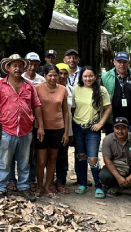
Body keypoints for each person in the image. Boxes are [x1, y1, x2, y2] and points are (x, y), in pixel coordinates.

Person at [0, 54, 44, 199]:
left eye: (20, 66)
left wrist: (41, 127)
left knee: (24, 161)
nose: (17, 68)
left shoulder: (29, 86)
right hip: (6, 129)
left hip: (26, 130)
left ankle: (24, 187)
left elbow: (36, 106)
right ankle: (1, 188)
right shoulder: (0, 85)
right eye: (14, 65)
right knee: (4, 161)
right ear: (8, 68)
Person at [71, 67, 111, 196]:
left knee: (93, 158)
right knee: (81, 156)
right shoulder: (76, 89)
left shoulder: (101, 90)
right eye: (85, 76)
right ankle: (83, 184)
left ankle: (98, 185)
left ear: (95, 77)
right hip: (78, 127)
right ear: (81, 77)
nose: (88, 79)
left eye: (91, 76)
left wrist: (100, 123)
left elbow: (108, 108)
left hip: (93, 129)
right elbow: (73, 109)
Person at [34, 64, 71, 196]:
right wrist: (40, 126)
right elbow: (35, 108)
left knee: (53, 159)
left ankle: (47, 187)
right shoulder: (37, 88)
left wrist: (66, 133)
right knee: (41, 160)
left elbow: (66, 112)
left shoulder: (62, 89)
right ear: (44, 76)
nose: (53, 78)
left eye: (55, 75)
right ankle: (39, 186)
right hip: (41, 129)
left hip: (57, 128)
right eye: (50, 75)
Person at [101, 52, 131, 135]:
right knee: (113, 147)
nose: (122, 64)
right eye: (119, 62)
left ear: (128, 63)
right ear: (114, 62)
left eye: (124, 62)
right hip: (111, 122)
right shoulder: (105, 77)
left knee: (130, 147)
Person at [53, 63, 74, 192]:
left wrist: (69, 132)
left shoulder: (72, 89)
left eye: (65, 73)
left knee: (62, 155)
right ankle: (49, 181)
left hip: (66, 128)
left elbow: (72, 111)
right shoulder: (49, 88)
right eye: (59, 73)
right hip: (52, 127)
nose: (62, 76)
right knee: (50, 156)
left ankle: (61, 181)